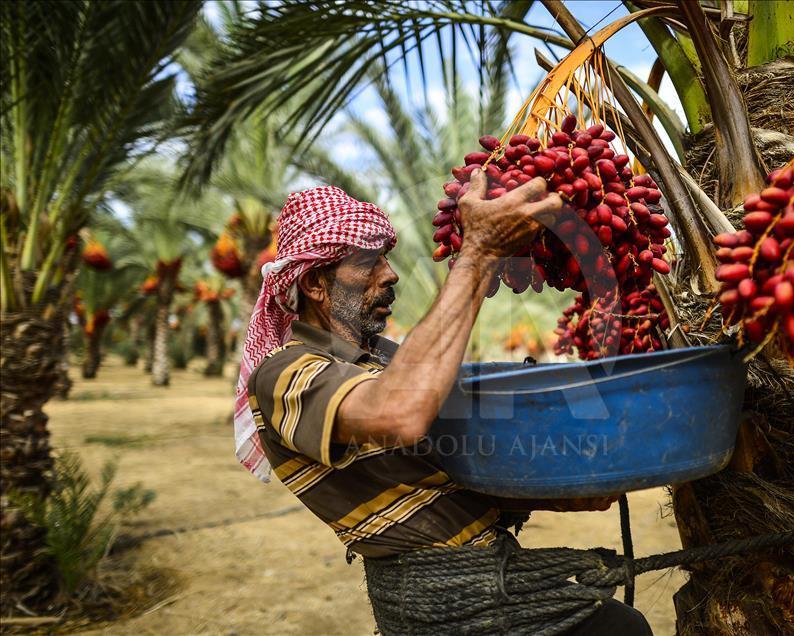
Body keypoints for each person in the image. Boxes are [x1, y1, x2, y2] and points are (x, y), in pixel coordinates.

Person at [234, 170, 652, 635]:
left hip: (486, 577)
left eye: (387, 259)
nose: (390, 274)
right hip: (441, 603)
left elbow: (442, 472)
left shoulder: (388, 359)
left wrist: (561, 492)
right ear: (315, 285)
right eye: (368, 262)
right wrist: (478, 251)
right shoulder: (283, 374)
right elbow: (401, 413)